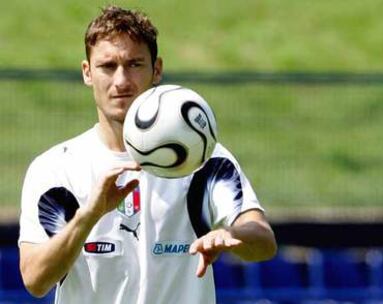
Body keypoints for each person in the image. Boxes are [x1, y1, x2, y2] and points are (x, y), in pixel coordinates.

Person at [18, 5, 277, 304]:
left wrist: (232, 235)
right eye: (107, 66)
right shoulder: (55, 167)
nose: (121, 81)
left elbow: (264, 241)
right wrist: (88, 216)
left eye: (134, 64)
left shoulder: (200, 155)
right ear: (87, 73)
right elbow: (35, 280)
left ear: (157, 70)